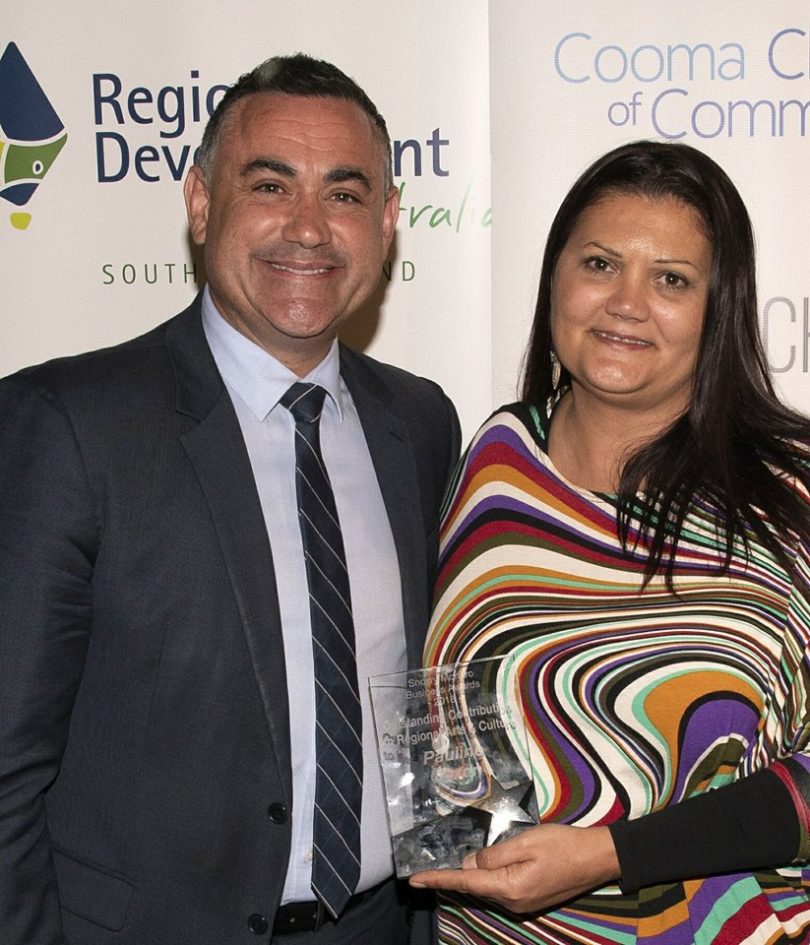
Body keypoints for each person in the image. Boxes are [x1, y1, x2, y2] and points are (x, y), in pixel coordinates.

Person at [0, 54, 460, 945]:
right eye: (270, 184)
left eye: (345, 193)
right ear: (201, 202)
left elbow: (416, 699)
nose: (309, 228)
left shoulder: (421, 421)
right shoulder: (67, 424)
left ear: (389, 221)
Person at [411, 140, 810, 944]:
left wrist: (609, 854)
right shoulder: (489, 466)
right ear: (556, 276)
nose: (626, 303)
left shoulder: (792, 490)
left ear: (719, 304)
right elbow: (442, 732)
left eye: (671, 279)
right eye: (599, 263)